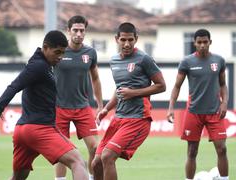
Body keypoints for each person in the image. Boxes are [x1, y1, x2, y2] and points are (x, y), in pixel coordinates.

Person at [0, 30, 88, 180]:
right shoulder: (38, 66)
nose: (60, 57)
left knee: (18, 177)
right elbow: (14, 86)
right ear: (45, 47)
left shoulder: (41, 64)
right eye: (57, 52)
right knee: (78, 162)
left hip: (22, 132)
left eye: (63, 53)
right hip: (40, 130)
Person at [91, 22, 166, 180]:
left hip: (138, 119)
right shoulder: (114, 61)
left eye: (130, 40)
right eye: (123, 40)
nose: (127, 44)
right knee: (96, 163)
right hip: (118, 118)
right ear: (116, 39)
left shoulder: (144, 59)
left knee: (107, 157)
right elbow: (119, 89)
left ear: (136, 39)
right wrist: (106, 109)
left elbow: (161, 86)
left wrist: (134, 93)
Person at [167, 29, 229, 180]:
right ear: (194, 43)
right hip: (194, 112)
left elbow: (223, 84)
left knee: (222, 149)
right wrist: (171, 108)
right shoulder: (187, 62)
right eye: (199, 42)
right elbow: (176, 86)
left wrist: (224, 103)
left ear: (210, 42)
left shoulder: (218, 61)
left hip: (214, 111)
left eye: (205, 42)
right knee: (192, 151)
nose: (202, 45)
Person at [54, 15, 103, 180]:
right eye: (75, 30)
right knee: (62, 151)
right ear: (68, 31)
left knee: (95, 148)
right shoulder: (57, 51)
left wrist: (100, 105)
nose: (79, 34)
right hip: (59, 107)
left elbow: (95, 78)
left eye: (82, 30)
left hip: (83, 107)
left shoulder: (90, 52)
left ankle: (90, 177)